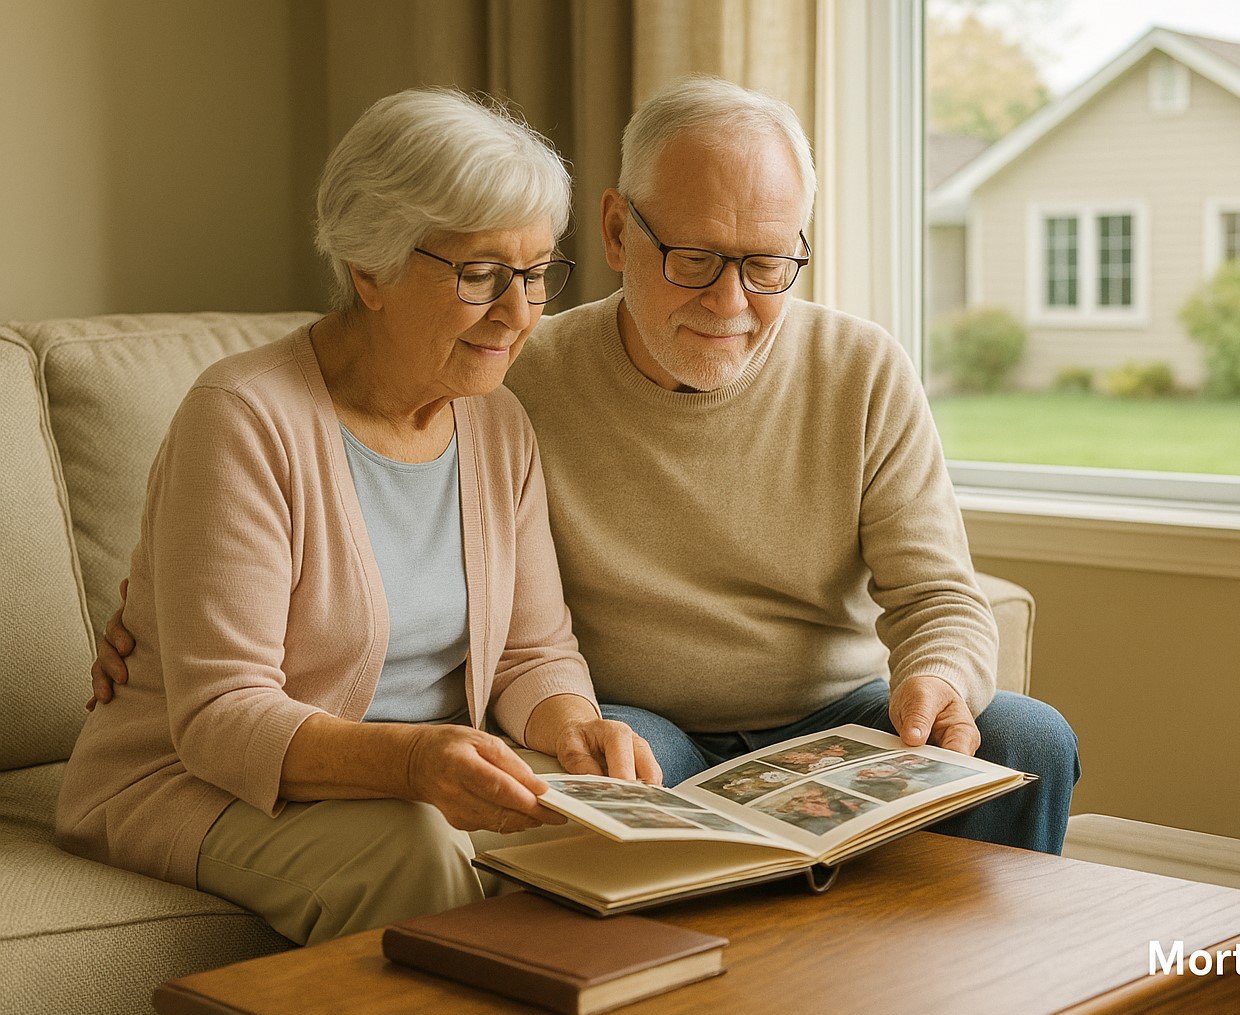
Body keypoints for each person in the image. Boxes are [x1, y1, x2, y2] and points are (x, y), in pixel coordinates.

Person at [92, 78, 1079, 855]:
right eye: (693, 256)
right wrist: (153, 604)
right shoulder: (515, 373)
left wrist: (940, 679)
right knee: (622, 780)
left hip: (834, 712)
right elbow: (342, 489)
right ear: (616, 230)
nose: (732, 299)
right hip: (636, 718)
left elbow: (939, 593)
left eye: (768, 261)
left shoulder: (860, 367)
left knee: (1029, 741)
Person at [59, 88, 659, 947]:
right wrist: (413, 762)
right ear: (370, 268)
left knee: (623, 845)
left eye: (534, 273)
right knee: (406, 850)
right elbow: (222, 715)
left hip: (416, 778)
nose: (520, 313)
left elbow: (534, 651)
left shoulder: (496, 422)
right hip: (195, 781)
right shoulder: (244, 417)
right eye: (480, 274)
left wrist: (579, 730)